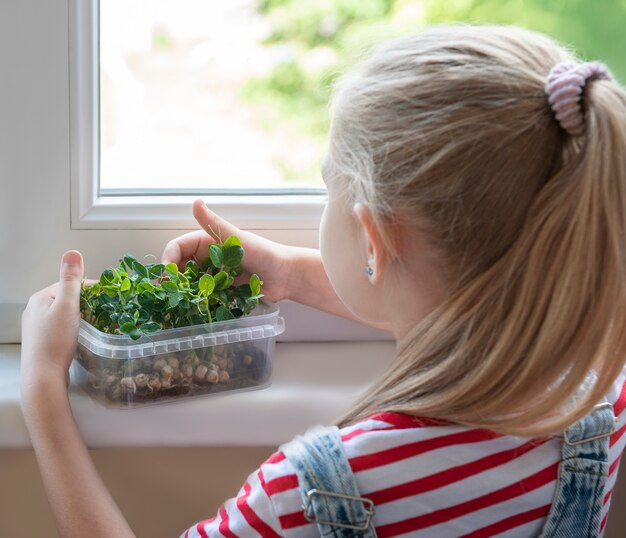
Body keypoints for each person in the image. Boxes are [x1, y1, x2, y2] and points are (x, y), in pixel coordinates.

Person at [20, 23, 626, 537]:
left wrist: (44, 392)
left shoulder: (317, 492)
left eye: (327, 185)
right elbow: (469, 310)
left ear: (374, 241)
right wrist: (290, 272)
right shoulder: (600, 392)